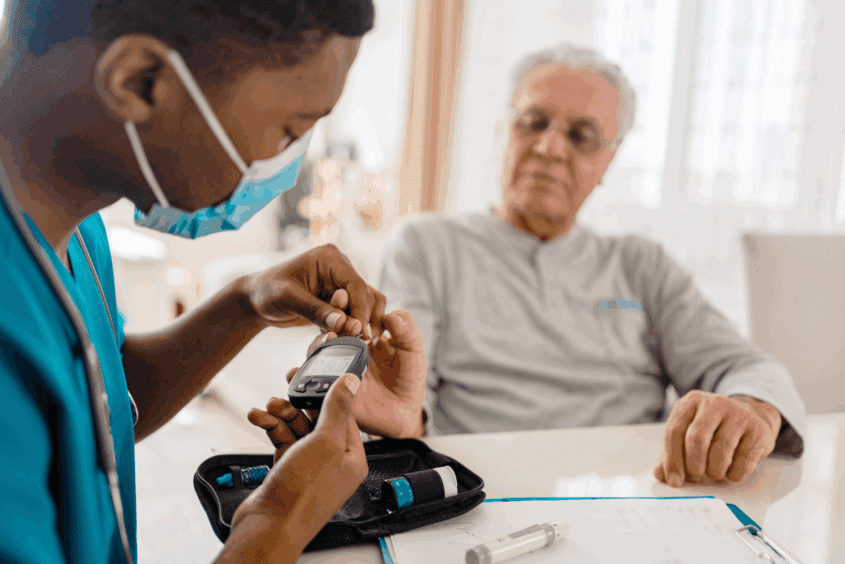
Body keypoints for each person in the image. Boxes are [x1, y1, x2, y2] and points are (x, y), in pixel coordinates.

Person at [0, 1, 426, 563]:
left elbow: (97, 403)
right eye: (288, 130)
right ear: (140, 80)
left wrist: (245, 303)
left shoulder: (73, 223)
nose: (283, 166)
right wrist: (277, 521)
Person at [378, 44, 806, 489]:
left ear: (608, 162)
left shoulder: (642, 264)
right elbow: (406, 401)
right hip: (480, 492)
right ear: (503, 131)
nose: (548, 148)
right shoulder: (426, 247)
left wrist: (751, 409)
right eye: (533, 123)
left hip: (634, 496)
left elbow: (749, 368)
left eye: (581, 136)